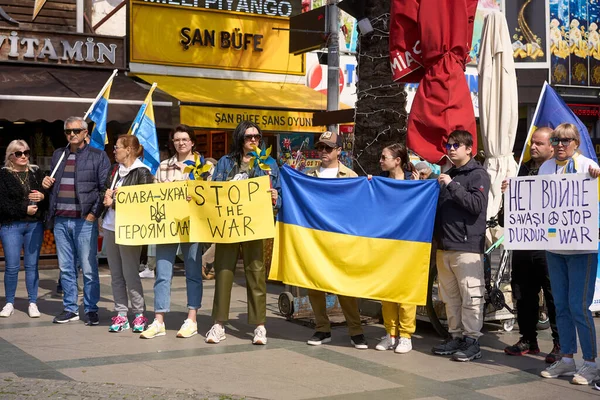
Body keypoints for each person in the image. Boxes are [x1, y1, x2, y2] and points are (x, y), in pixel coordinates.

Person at [205, 121, 280, 346]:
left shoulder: (269, 163)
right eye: (249, 137)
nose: (254, 140)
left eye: (257, 137)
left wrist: (275, 198)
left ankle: (259, 326)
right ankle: (219, 324)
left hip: (255, 225)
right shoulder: (226, 163)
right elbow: (213, 192)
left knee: (256, 273)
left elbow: (280, 194)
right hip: (228, 226)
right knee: (224, 271)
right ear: (240, 138)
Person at [537, 123, 600, 385]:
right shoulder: (545, 167)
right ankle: (566, 358)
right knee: (560, 306)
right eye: (556, 139)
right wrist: (514, 188)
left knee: (578, 307)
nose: (560, 144)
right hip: (555, 248)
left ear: (576, 142)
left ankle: (591, 363)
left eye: (566, 140)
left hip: (582, 249)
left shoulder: (588, 167)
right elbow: (535, 201)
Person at [500, 127, 561, 363]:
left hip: (550, 245)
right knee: (523, 293)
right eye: (532, 143)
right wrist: (509, 193)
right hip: (524, 242)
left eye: (539, 143)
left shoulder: (560, 170)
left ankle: (559, 343)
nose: (533, 147)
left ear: (551, 146)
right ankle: (528, 338)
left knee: (553, 294)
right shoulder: (522, 168)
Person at [42, 117, 110, 325]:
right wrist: (45, 182)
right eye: (68, 131)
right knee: (66, 268)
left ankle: (90, 308)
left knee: (89, 268)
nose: (72, 134)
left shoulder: (98, 156)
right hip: (61, 220)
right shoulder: (58, 155)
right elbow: (53, 185)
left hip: (84, 220)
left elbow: (103, 189)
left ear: (85, 132)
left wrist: (92, 215)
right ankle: (70, 308)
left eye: (76, 131)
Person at [303, 131, 368, 349]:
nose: (322, 152)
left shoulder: (350, 176)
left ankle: (356, 330)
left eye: (327, 148)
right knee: (315, 286)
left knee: (345, 286)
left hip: (342, 240)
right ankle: (322, 328)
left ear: (339, 151)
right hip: (315, 239)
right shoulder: (308, 175)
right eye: (320, 148)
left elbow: (360, 207)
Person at [141, 125, 206, 339]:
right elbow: (154, 195)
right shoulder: (163, 166)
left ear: (192, 142)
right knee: (162, 273)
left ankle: (192, 318)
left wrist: (194, 196)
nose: (181, 143)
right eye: (177, 139)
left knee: (193, 273)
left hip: (193, 224)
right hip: (167, 225)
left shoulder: (203, 166)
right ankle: (159, 320)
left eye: (185, 139)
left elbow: (210, 196)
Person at [431, 130, 490, 362]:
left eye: (457, 145)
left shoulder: (478, 174)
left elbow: (476, 205)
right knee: (450, 297)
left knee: (471, 296)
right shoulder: (448, 174)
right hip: (445, 246)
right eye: (449, 145)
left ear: (469, 149)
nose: (451, 149)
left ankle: (472, 340)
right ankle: (455, 335)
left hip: (467, 247)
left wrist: (452, 185)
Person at [102, 135, 154, 333]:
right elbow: (105, 193)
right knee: (115, 274)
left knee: (130, 273)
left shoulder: (142, 172)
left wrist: (114, 202)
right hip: (110, 226)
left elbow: (142, 202)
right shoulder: (115, 170)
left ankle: (139, 313)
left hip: (130, 229)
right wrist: (105, 197)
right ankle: (121, 313)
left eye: (117, 148)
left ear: (129, 150)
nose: (114, 151)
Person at [373, 143, 419, 353]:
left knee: (406, 291)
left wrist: (421, 186)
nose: (381, 161)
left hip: (409, 245)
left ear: (397, 160)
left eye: (384, 157)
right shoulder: (380, 182)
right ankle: (390, 333)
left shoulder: (414, 182)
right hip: (386, 244)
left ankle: (406, 335)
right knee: (387, 290)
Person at [0, 140, 47, 318]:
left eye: (26, 152)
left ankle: (33, 302)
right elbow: (2, 203)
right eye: (18, 154)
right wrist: (23, 209)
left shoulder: (36, 172)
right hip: (11, 225)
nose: (23, 156)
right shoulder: (3, 175)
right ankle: (9, 302)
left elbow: (47, 195)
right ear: (10, 157)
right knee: (12, 266)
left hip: (34, 225)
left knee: (32, 265)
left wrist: (43, 195)